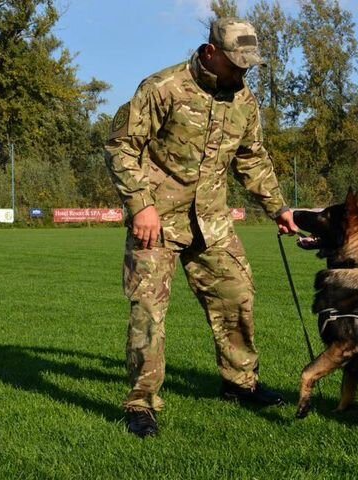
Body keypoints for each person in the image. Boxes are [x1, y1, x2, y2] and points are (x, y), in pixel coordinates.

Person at [104, 17, 298, 438]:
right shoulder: (163, 88)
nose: (242, 72)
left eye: (248, 65)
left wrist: (279, 207)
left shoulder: (244, 99)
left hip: (212, 221)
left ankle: (240, 384)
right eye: (235, 63)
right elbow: (121, 146)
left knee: (237, 294)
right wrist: (141, 206)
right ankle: (142, 404)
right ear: (210, 52)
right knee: (148, 312)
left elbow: (251, 158)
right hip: (156, 222)